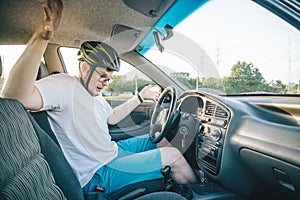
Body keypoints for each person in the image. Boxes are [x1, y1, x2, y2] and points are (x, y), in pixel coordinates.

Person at [1, 0, 198, 194]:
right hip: (97, 172)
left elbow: (110, 118)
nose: (105, 82)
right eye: (102, 75)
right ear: (85, 67)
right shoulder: (64, 85)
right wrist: (41, 37)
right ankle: (203, 193)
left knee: (157, 140)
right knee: (172, 156)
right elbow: (14, 97)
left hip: (112, 152)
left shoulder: (94, 93)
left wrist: (141, 96)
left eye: (109, 78)